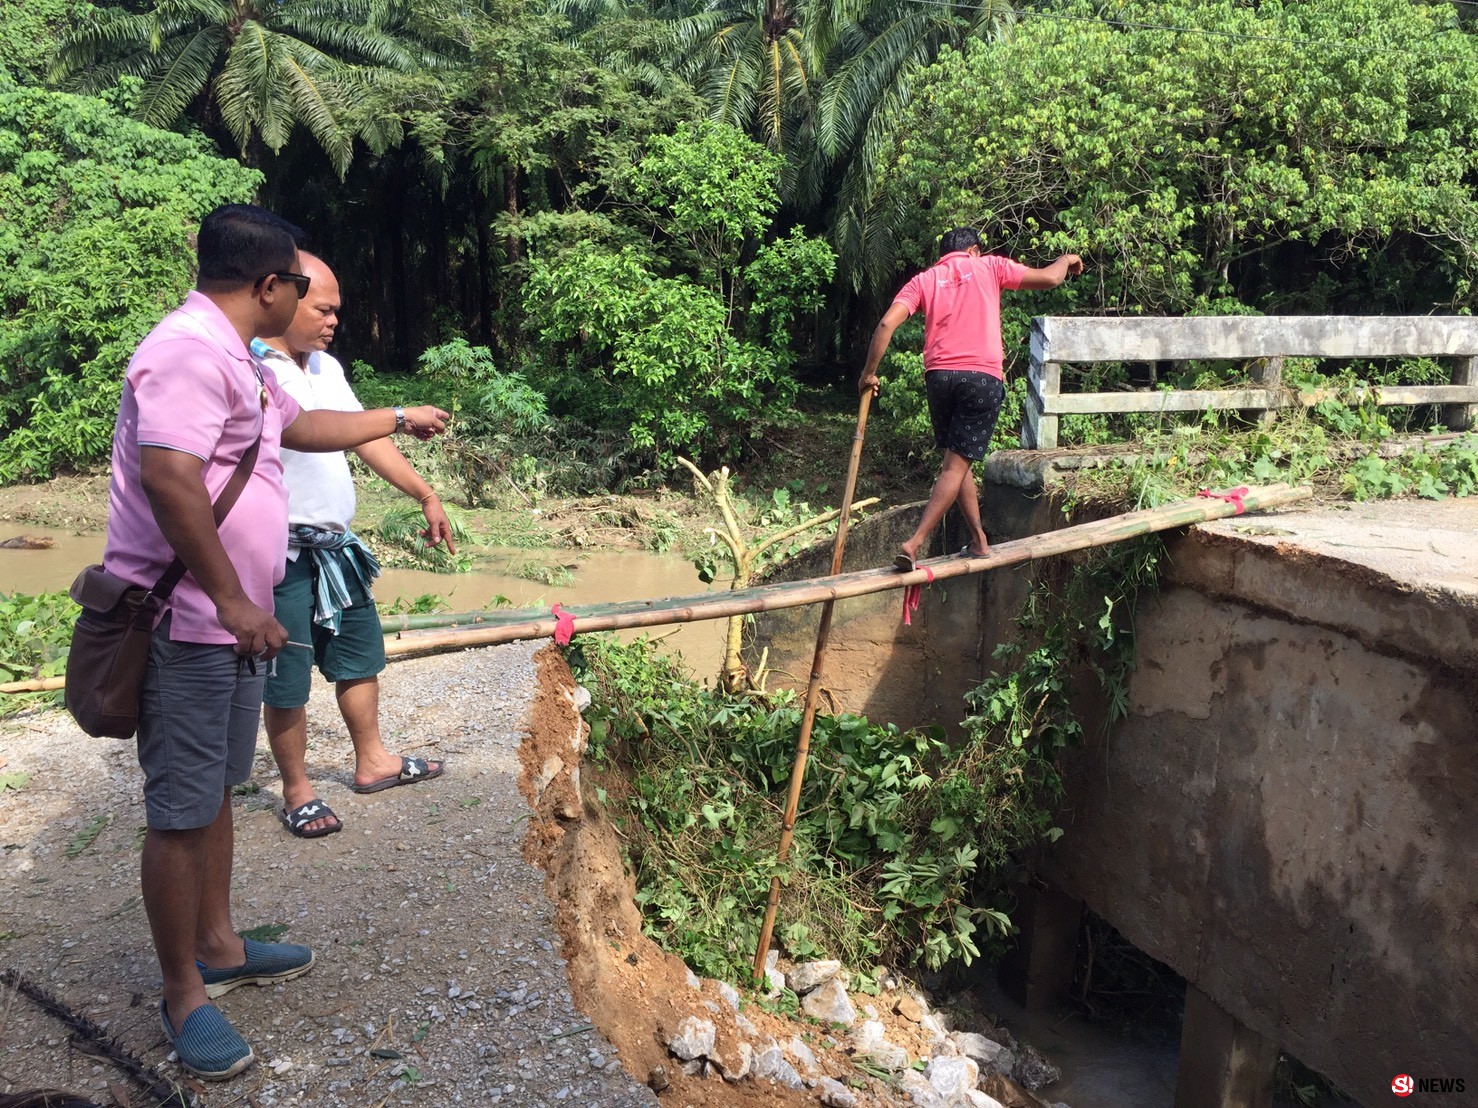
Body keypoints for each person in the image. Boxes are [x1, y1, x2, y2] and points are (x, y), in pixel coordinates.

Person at [102, 203, 449, 1082]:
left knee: (217, 788)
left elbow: (300, 429)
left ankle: (219, 943)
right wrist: (230, 597)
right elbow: (171, 478)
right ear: (267, 285)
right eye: (299, 286)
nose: (308, 300)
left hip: (230, 622)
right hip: (190, 623)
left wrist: (396, 417)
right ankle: (185, 991)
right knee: (180, 812)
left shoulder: (240, 362)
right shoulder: (184, 354)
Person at [252, 252, 452, 839]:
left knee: (358, 658)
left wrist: (425, 494)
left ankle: (375, 760)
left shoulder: (326, 368)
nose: (333, 319)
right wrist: (395, 415)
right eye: (323, 308)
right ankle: (298, 790)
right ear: (281, 298)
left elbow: (362, 437)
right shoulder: (251, 367)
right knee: (286, 676)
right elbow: (320, 432)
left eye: (337, 310)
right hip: (280, 555)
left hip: (337, 549)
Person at [858, 228, 1082, 569]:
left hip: (939, 378)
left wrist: (869, 373)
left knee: (957, 461)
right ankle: (914, 543)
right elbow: (1051, 279)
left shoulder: (925, 280)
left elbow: (888, 323)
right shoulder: (990, 266)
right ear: (974, 250)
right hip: (981, 376)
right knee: (955, 464)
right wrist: (1065, 259)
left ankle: (979, 541)